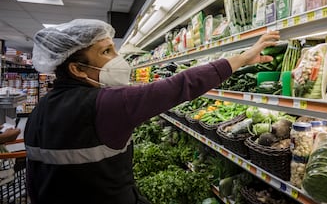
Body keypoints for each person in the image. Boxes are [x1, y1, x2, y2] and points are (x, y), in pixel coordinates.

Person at [24, 19, 280, 204]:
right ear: (77, 69)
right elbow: (180, 85)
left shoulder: (39, 111)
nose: (116, 57)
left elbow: (36, 179)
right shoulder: (108, 103)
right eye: (106, 52)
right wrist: (242, 59)